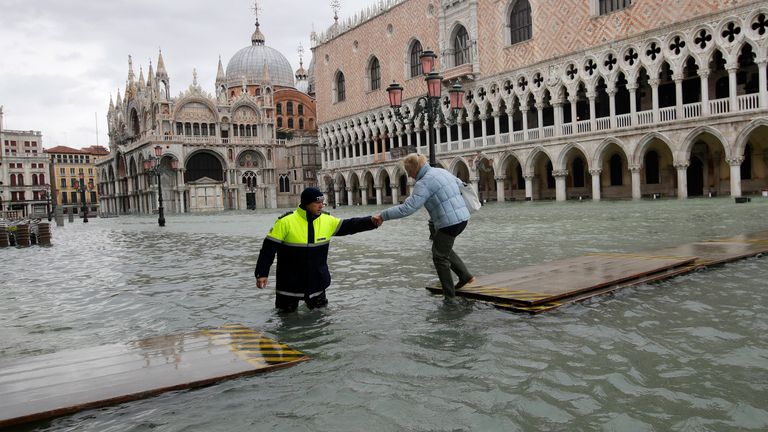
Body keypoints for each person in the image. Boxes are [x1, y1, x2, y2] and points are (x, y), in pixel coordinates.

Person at [255, 187, 380, 312]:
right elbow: (268, 250)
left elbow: (350, 225)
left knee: (321, 318)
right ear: (306, 203)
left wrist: (371, 222)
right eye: (317, 202)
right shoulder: (285, 222)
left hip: (317, 284)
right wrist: (262, 273)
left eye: (322, 202)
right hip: (289, 285)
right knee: (285, 319)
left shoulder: (327, 220)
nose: (321, 206)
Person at [373, 153, 475, 298]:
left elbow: (407, 208)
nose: (409, 176)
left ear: (415, 169)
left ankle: (449, 296)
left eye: (409, 172)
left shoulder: (424, 183)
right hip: (462, 218)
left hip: (449, 223)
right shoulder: (441, 171)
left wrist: (383, 215)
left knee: (439, 257)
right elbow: (460, 184)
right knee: (442, 248)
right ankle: (465, 276)